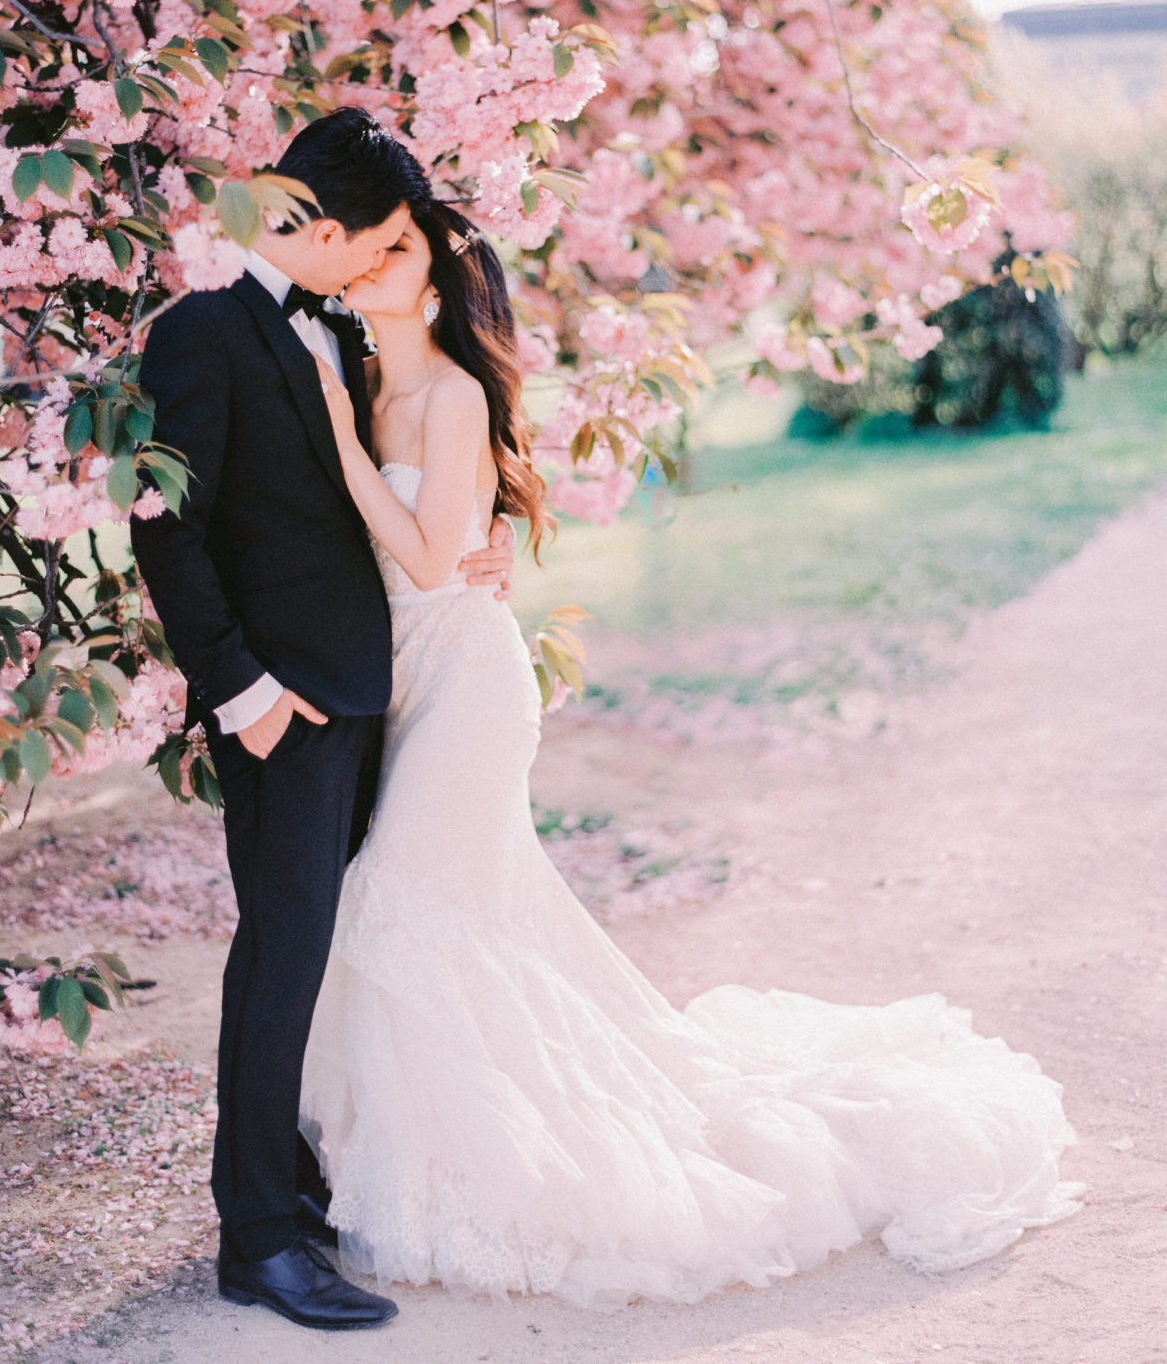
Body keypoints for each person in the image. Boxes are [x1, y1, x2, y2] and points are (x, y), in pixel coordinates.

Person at [299, 201, 1084, 1309]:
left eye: (397, 251)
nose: (371, 264)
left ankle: (477, 1176)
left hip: (468, 692)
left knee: (400, 903)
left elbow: (433, 560)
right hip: (402, 680)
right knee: (466, 919)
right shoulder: (359, 374)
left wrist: (335, 437)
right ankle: (455, 1153)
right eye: (364, 246)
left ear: (434, 283)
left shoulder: (451, 394)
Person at [131, 110, 516, 1332]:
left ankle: (296, 1184)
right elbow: (164, 525)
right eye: (382, 244)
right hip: (283, 707)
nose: (379, 267)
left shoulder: (343, 334)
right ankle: (259, 1240)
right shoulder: (202, 330)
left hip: (379, 691)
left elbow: (403, 500)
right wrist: (240, 689)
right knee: (282, 954)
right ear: (329, 231)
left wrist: (484, 545)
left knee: (336, 951)